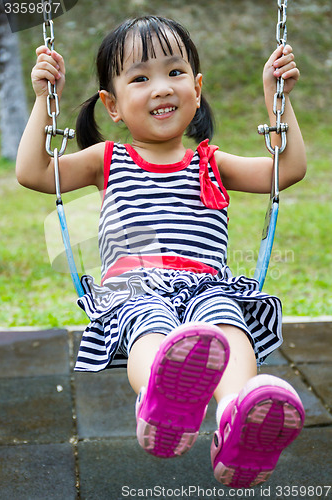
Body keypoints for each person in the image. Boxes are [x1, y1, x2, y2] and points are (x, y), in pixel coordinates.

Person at [16, 16, 307, 488]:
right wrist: (42, 99)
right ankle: (161, 398)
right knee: (151, 325)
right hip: (134, 285)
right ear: (111, 105)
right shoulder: (105, 160)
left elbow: (287, 168)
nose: (161, 89)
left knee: (229, 326)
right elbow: (33, 172)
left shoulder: (212, 163)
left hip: (205, 283)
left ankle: (236, 418)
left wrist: (279, 98)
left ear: (196, 87)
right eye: (140, 78)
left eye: (174, 74)